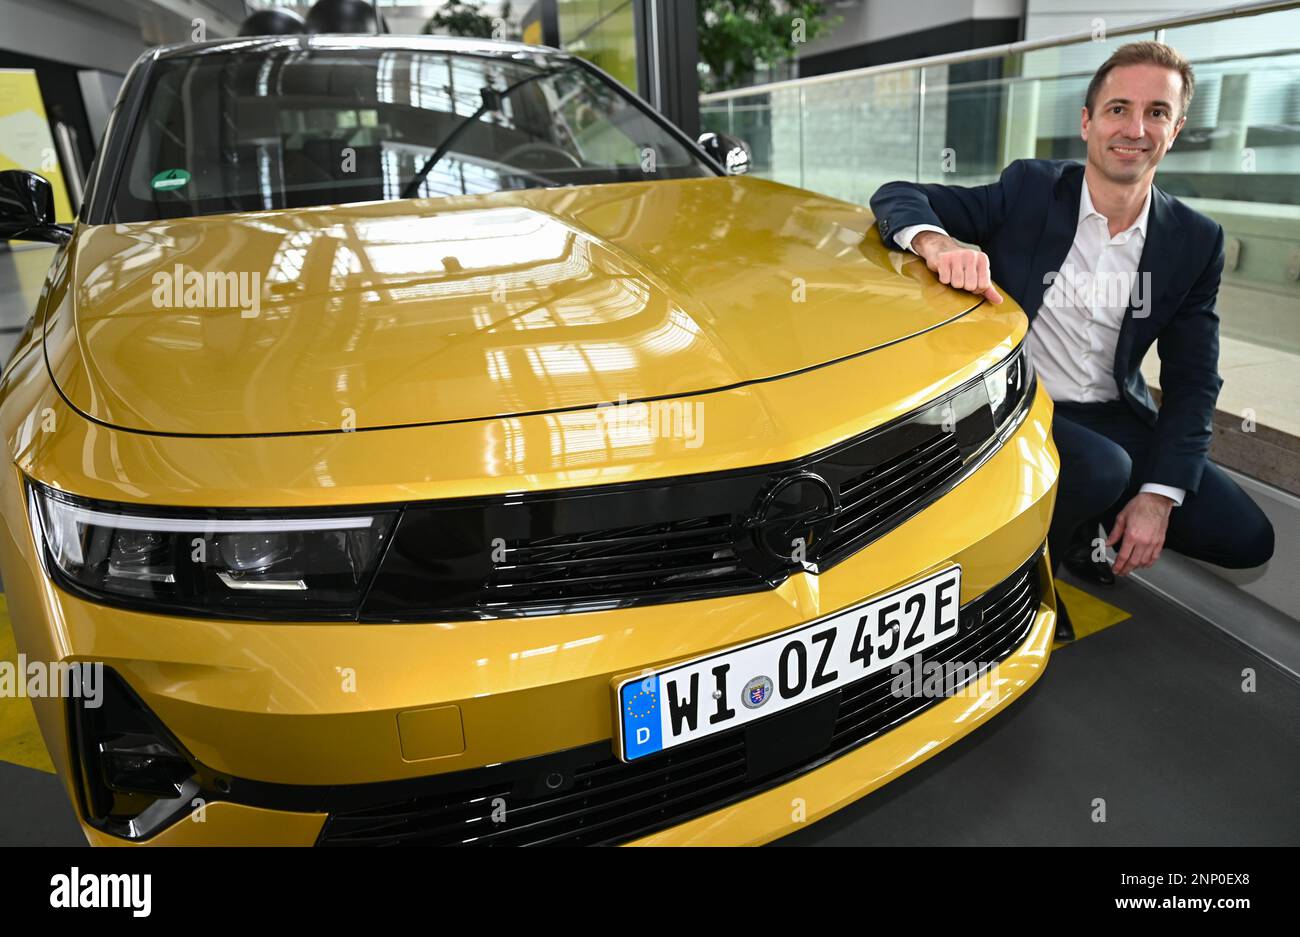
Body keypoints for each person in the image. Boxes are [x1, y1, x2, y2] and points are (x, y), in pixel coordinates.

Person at [870, 41, 1274, 640]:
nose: (1135, 128)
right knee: (1103, 468)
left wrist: (1159, 498)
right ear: (1087, 122)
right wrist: (937, 243)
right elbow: (899, 193)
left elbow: (1193, 379)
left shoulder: (1195, 239)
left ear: (1177, 129)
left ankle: (1085, 527)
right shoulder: (1030, 190)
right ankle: (1020, 596)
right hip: (1014, 404)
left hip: (1111, 412)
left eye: (1157, 113)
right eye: (1118, 109)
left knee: (1245, 535)